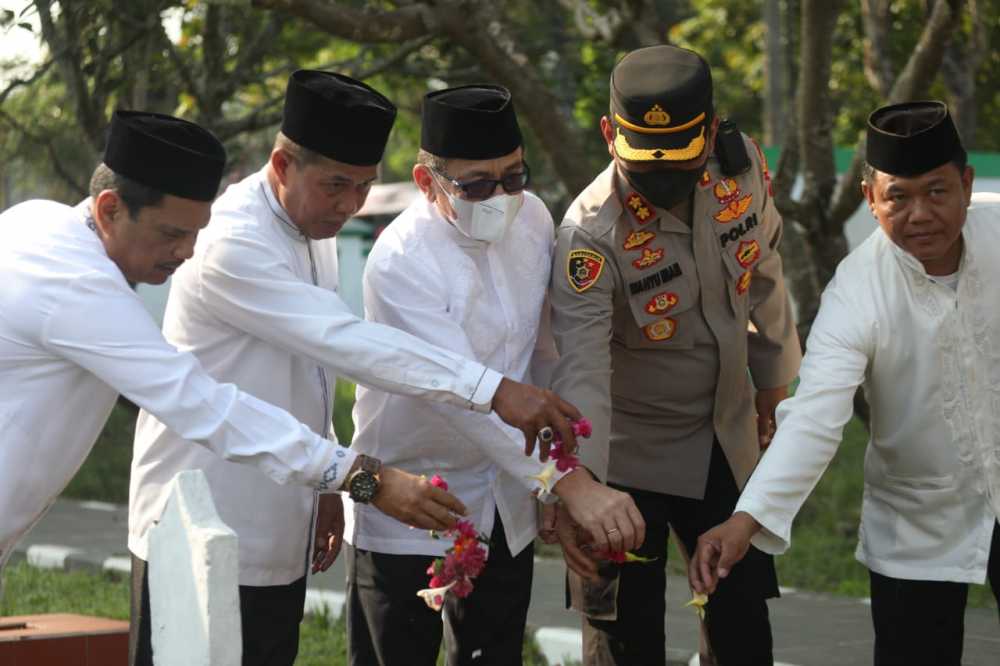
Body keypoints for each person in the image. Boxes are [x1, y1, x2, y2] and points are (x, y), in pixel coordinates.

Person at [127, 71, 583, 666]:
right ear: (282, 165)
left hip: (285, 499)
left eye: (363, 186)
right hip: (201, 506)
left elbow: (307, 376)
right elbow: (343, 342)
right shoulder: (233, 241)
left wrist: (325, 483)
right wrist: (491, 391)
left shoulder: (309, 224)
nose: (350, 205)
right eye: (336, 185)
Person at [0, 111, 461, 600]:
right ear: (111, 209)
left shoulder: (36, 220)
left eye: (196, 232)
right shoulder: (77, 284)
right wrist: (362, 477)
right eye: (171, 234)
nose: (187, 252)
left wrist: (326, 483)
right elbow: (202, 403)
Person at [343, 84, 645, 666]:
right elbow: (461, 396)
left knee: (494, 655)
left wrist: (555, 475)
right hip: (413, 501)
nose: (501, 196)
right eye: (478, 185)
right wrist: (569, 485)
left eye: (513, 176)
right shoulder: (401, 261)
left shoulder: (532, 218)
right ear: (428, 181)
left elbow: (543, 354)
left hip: (507, 496)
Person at [690, 101, 1000, 666]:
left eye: (937, 192)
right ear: (869, 198)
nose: (920, 214)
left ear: (966, 184)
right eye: (898, 197)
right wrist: (746, 518)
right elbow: (813, 418)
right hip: (918, 519)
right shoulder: (856, 290)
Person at [547, 45, 802, 665]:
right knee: (625, 638)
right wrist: (577, 491)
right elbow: (582, 371)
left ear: (711, 132)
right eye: (646, 173)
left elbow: (763, 274)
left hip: (725, 432)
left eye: (679, 171)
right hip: (626, 454)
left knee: (743, 626)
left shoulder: (740, 171)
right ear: (610, 135)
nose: (663, 190)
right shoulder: (589, 234)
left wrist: (774, 390)